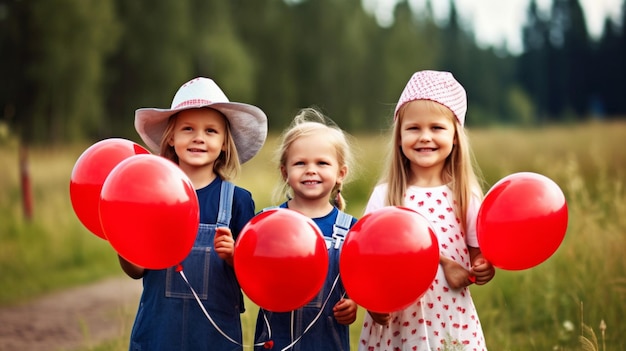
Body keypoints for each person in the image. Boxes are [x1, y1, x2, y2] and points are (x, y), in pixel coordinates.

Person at [120, 77, 268, 351]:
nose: (199, 137)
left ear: (225, 143)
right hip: (157, 336)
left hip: (214, 338)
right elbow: (135, 270)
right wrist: (124, 243)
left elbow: (255, 279)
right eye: (188, 128)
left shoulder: (237, 201)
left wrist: (236, 256)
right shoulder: (151, 195)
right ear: (172, 138)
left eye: (211, 131)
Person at [358, 70, 496, 351]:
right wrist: (372, 304)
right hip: (397, 323)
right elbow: (362, 260)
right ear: (398, 136)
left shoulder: (464, 196)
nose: (424, 137)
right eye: (413, 128)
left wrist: (482, 267)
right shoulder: (385, 195)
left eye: (436, 128)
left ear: (455, 136)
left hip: (449, 318)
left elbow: (477, 255)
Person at [253, 107, 359, 351]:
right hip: (275, 340)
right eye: (300, 163)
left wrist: (352, 304)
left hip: (326, 342)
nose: (311, 169)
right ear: (285, 172)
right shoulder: (266, 223)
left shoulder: (352, 230)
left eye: (322, 162)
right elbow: (252, 276)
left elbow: (356, 283)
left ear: (340, 173)